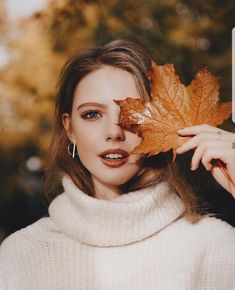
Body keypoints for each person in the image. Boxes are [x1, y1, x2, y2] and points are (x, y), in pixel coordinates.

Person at [0, 39, 235, 290]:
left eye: (132, 115)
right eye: (92, 114)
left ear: (159, 123)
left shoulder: (214, 246)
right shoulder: (21, 255)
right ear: (70, 129)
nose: (114, 132)